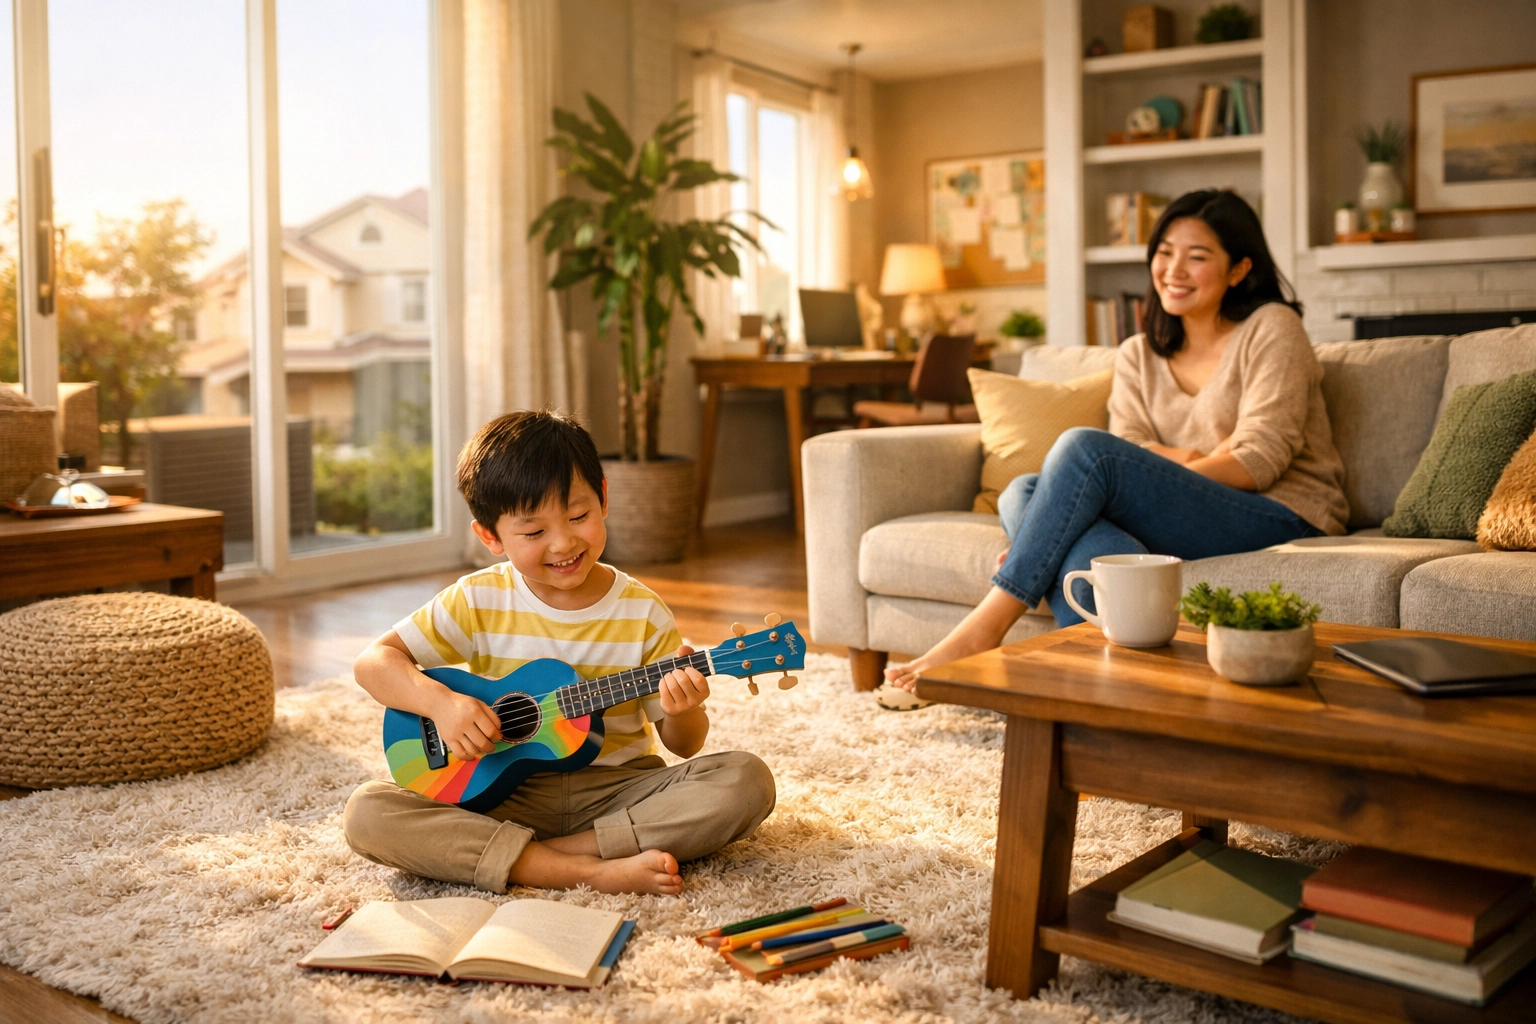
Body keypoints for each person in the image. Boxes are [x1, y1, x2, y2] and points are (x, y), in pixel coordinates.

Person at [878, 189, 1347, 709]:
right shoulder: (1138, 354)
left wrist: (1154, 467)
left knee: (1083, 452)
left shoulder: (1271, 328)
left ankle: (982, 631)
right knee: (1023, 491)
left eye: (1198, 256)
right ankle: (1109, 688)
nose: (1174, 269)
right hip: (1184, 516)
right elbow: (1131, 447)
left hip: (1281, 514)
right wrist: (1189, 459)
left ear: (1238, 270)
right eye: (1165, 252)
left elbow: (1256, 463)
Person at [344, 411, 776, 894]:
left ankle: (534, 856)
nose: (564, 542)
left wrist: (686, 707)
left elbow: (685, 745)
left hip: (617, 793)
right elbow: (373, 664)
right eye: (533, 533)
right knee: (368, 811)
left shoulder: (643, 612)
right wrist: (440, 704)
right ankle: (583, 869)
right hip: (503, 795)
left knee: (746, 780)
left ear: (604, 498)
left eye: (578, 516)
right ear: (490, 537)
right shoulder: (476, 598)